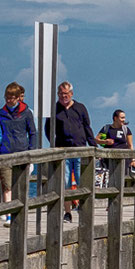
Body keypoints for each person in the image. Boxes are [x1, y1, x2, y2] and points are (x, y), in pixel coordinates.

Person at [45, 81, 97, 215]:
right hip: (63, 151)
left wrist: (93, 146)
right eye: (61, 94)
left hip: (80, 149)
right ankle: (67, 212)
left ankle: (82, 208)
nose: (63, 96)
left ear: (71, 94)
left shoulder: (80, 108)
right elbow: (48, 129)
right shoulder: (54, 109)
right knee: (66, 182)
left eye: (66, 93)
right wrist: (53, 145)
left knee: (82, 180)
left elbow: (87, 127)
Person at [0, 83, 37, 210]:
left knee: (20, 185)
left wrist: (31, 151)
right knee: (7, 186)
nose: (9, 100)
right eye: (7, 97)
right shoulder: (0, 113)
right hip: (5, 153)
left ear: (18, 97)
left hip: (22, 153)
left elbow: (33, 132)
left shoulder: (27, 113)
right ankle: (8, 214)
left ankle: (19, 211)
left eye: (12, 97)